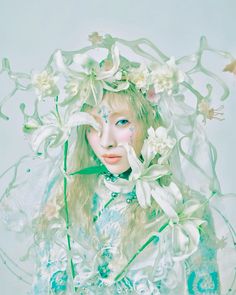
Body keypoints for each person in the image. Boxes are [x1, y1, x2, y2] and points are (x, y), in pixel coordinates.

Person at [0, 33, 235, 295]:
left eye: (122, 122)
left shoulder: (181, 208)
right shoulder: (66, 199)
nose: (106, 141)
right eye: (93, 125)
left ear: (149, 124)